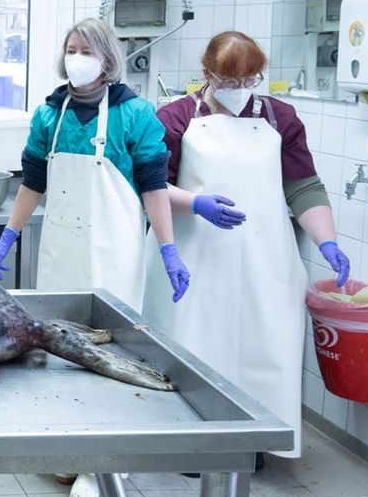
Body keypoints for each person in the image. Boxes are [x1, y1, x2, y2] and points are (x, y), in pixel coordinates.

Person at [0, 17, 189, 497]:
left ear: (107, 57)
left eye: (86, 49)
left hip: (114, 259)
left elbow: (153, 188)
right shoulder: (50, 115)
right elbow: (33, 181)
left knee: (110, 361)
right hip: (61, 256)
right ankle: (71, 448)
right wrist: (10, 233)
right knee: (59, 353)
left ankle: (105, 466)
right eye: (70, 48)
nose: (76, 57)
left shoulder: (135, 114)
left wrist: (167, 247)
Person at [146, 31, 349, 463]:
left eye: (250, 80)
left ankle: (252, 441)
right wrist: (196, 205)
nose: (241, 90)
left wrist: (326, 240)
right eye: (230, 80)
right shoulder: (176, 118)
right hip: (194, 256)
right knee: (196, 347)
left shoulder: (281, 118)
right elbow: (151, 187)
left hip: (264, 259)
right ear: (207, 74)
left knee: (264, 345)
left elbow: (302, 186)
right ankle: (190, 447)